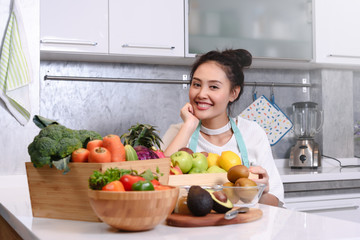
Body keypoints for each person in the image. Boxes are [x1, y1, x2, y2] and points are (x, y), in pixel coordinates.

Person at [161, 49, 284, 207]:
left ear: (233, 93)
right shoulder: (179, 132)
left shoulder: (253, 133)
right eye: (196, 84)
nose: (202, 94)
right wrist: (189, 125)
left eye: (213, 87)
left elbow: (275, 204)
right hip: (192, 229)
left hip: (244, 229)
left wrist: (263, 191)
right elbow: (158, 181)